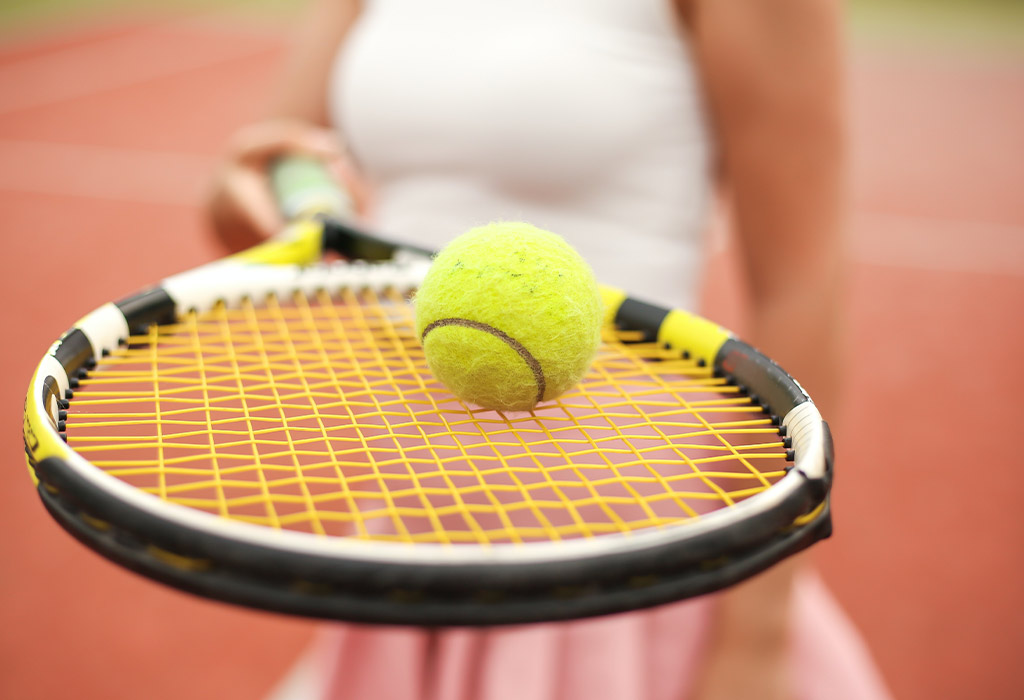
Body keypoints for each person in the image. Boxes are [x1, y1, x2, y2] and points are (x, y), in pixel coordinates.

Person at [207, 1, 891, 698]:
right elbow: (271, 167)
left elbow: (800, 289)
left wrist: (755, 640)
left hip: (614, 543)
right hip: (408, 512)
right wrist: (254, 189)